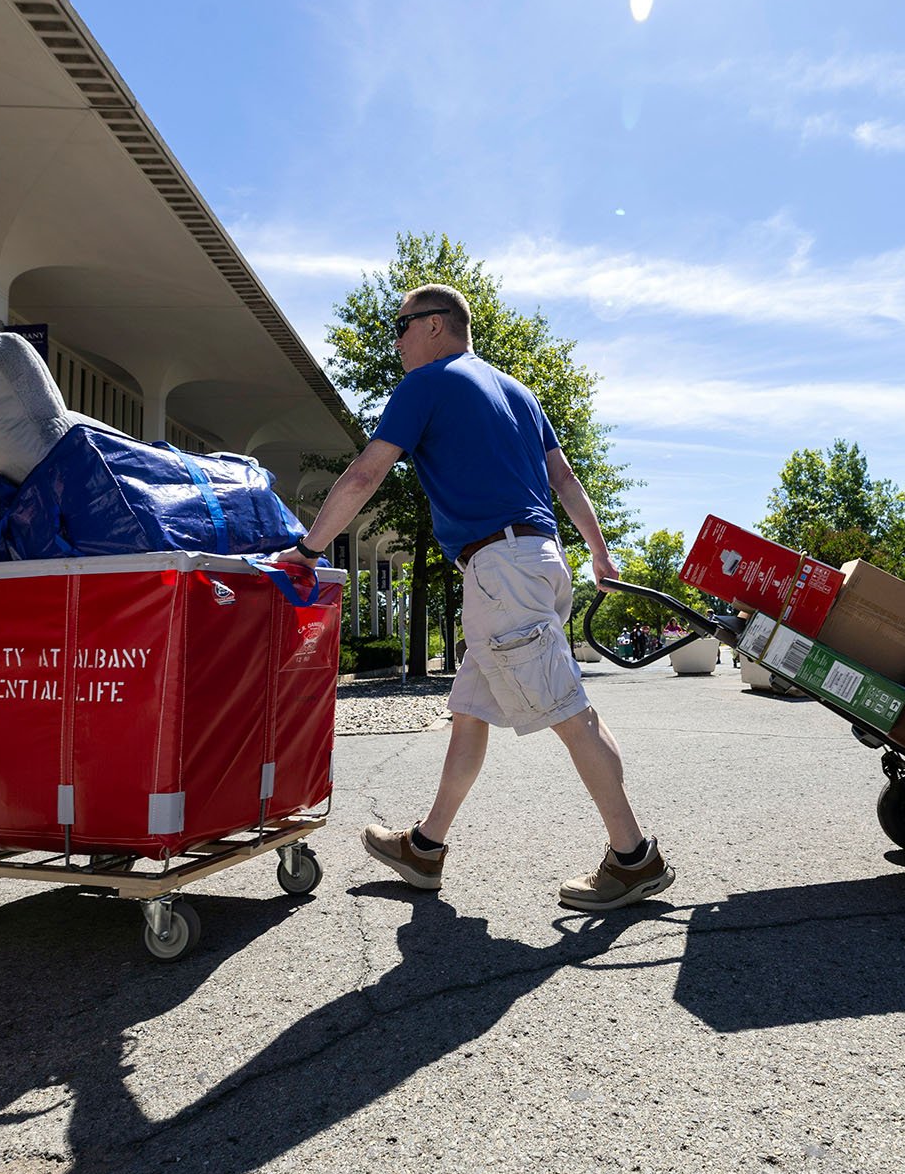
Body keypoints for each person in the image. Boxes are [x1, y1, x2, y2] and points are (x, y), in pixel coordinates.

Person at [274, 284, 672, 911]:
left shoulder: (428, 383)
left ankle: (633, 858)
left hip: (501, 568)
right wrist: (599, 551)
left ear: (434, 326)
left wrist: (308, 550)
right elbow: (564, 479)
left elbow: (365, 473)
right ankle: (425, 847)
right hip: (538, 560)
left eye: (399, 326)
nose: (396, 340)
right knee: (471, 711)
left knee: (569, 712)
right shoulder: (517, 391)